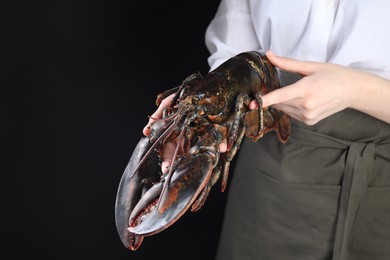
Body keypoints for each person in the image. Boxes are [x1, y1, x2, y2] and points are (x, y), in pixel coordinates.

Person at [143, 1, 390, 259]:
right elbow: (235, 46)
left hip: (380, 187)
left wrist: (352, 90)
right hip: (269, 166)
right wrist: (197, 113)